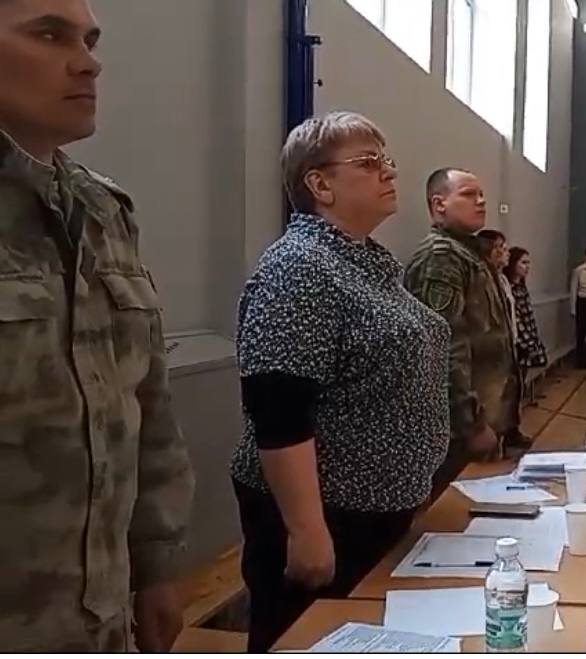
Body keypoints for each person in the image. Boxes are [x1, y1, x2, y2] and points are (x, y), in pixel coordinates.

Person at [0, 0, 195, 651]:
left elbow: (147, 404)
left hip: (100, 618)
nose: (88, 63)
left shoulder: (102, 210)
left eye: (89, 40)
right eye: (50, 35)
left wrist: (156, 564)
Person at [231, 113, 451, 652]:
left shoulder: (363, 263)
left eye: (386, 159)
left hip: (375, 513)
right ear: (320, 184)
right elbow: (278, 409)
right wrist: (306, 531)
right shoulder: (301, 267)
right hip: (329, 519)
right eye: (369, 162)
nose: (389, 171)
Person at [406, 168, 517, 490]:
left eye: (481, 194)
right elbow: (443, 348)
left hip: (482, 416)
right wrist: (471, 423)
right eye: (468, 194)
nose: (481, 201)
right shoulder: (441, 258)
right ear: (439, 204)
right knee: (450, 510)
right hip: (455, 429)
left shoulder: (470, 255)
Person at [477, 229, 529, 453]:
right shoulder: (484, 281)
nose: (506, 253)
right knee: (494, 401)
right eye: (502, 248)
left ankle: (509, 435)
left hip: (510, 344)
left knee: (511, 395)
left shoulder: (503, 280)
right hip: (493, 351)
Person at [505, 246, 549, 386]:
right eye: (523, 263)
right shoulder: (508, 288)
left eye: (528, 263)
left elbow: (529, 318)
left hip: (528, 339)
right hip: (518, 342)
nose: (527, 267)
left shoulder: (522, 288)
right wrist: (526, 343)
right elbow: (516, 319)